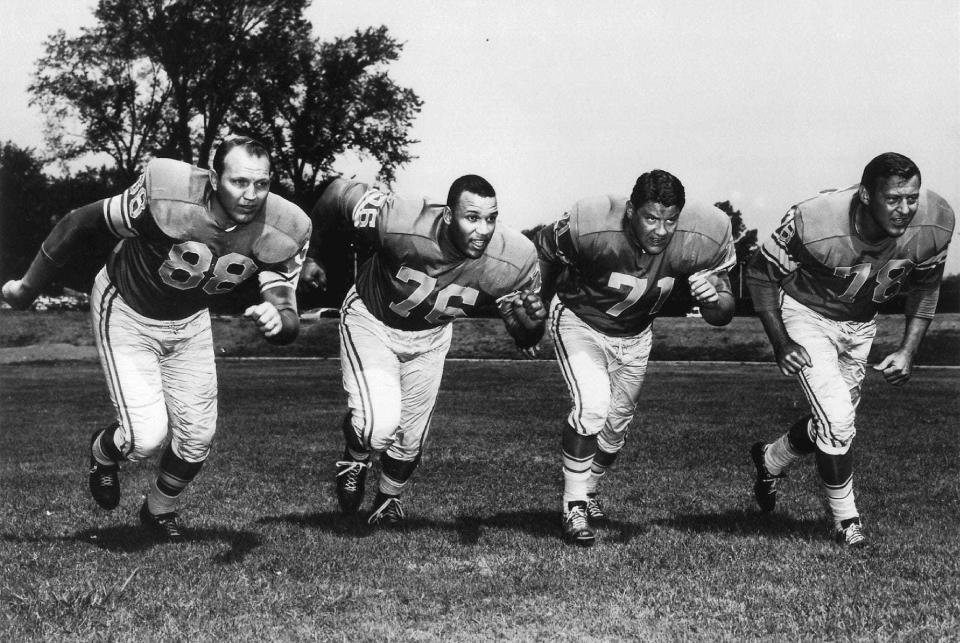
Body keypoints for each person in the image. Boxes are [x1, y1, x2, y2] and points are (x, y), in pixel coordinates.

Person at [1, 137, 311, 542]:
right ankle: (102, 452)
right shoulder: (169, 192)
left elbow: (287, 313)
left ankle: (158, 509)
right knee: (143, 438)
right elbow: (80, 221)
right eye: (239, 182)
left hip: (190, 321)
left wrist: (280, 319)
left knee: (198, 439)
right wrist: (27, 288)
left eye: (262, 184)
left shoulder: (286, 226)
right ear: (215, 178)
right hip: (128, 307)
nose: (251, 195)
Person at [305, 174, 545, 527]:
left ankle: (388, 500)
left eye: (491, 218)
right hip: (373, 318)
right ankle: (355, 456)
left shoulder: (516, 257)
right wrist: (313, 255)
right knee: (378, 426)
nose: (484, 229)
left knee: (411, 438)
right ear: (448, 216)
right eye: (472, 217)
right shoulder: (402, 220)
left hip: (431, 336)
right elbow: (337, 194)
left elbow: (529, 337)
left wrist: (527, 329)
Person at [746, 152, 955, 548]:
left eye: (911, 197)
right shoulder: (816, 220)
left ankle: (770, 459)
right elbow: (759, 273)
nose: (905, 209)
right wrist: (781, 342)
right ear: (865, 195)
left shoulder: (934, 221)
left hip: (861, 326)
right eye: (893, 199)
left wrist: (909, 351)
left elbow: (927, 288)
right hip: (808, 316)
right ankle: (846, 520)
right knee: (839, 421)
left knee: (831, 422)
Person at [535, 169, 737, 546]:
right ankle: (573, 503)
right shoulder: (592, 225)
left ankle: (589, 489)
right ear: (631, 211)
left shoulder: (703, 236)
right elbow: (545, 251)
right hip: (581, 320)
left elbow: (723, 313)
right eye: (651, 218)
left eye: (670, 219)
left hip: (636, 334)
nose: (661, 230)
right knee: (592, 408)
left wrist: (713, 298)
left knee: (615, 431)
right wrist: (537, 308)